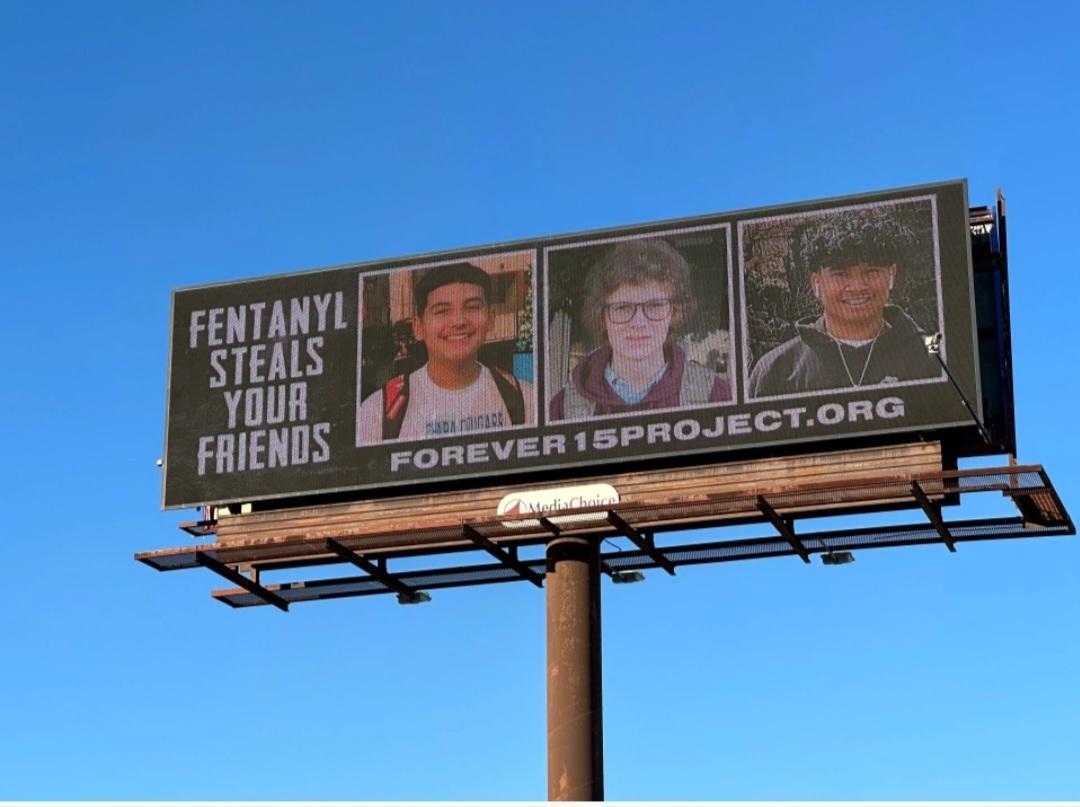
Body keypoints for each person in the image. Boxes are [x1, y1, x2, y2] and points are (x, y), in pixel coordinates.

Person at [747, 208, 940, 398]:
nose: (857, 287)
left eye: (871, 271)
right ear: (816, 283)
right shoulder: (774, 371)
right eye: (840, 274)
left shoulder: (933, 355)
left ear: (891, 275)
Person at [549, 238, 731, 421]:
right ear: (602, 316)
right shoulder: (563, 408)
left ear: (673, 313)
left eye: (654, 306)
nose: (638, 322)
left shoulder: (714, 395)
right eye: (622, 308)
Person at [358, 262, 534, 442]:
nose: (458, 321)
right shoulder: (376, 412)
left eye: (472, 307)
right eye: (442, 311)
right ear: (418, 328)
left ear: (490, 318)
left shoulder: (525, 400)